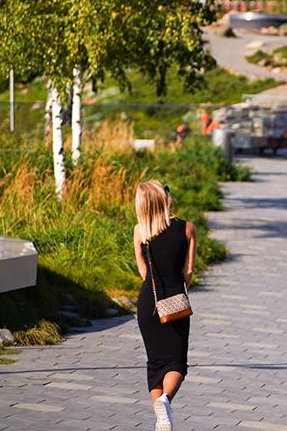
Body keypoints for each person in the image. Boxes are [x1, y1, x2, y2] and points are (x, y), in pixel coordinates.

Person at [133, 180, 196, 431]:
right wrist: (180, 286)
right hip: (175, 301)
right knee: (176, 362)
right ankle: (165, 400)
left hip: (148, 301)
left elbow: (142, 268)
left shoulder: (140, 231)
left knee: (155, 362)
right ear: (164, 199)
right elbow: (188, 271)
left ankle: (161, 419)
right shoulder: (186, 228)